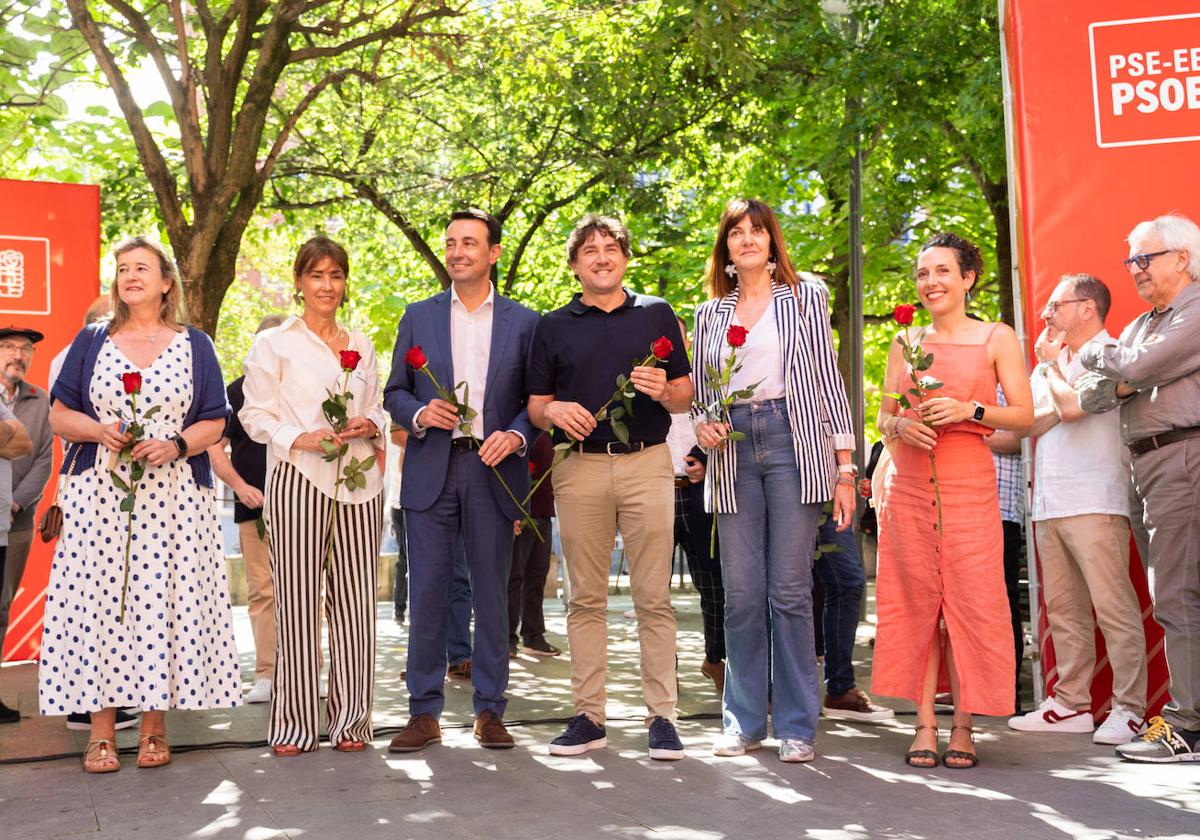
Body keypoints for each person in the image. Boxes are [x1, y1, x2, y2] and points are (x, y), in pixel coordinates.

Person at [40, 236, 238, 773]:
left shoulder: (196, 344)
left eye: (142, 268)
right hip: (99, 496)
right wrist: (102, 431)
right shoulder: (91, 340)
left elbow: (215, 420)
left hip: (173, 497)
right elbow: (60, 416)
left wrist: (175, 444)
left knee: (161, 602)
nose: (131, 276)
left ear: (166, 282)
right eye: (123, 269)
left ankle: (154, 729)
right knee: (98, 606)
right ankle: (100, 733)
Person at [692, 199, 855, 763]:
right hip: (732, 447)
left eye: (757, 231)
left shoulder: (807, 298)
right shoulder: (708, 313)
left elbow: (828, 380)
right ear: (727, 248)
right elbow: (700, 394)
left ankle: (796, 725)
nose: (748, 239)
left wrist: (844, 465)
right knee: (741, 595)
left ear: (772, 241)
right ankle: (741, 722)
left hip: (793, 438)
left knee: (788, 592)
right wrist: (703, 423)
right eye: (737, 233)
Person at [528, 213, 692, 760]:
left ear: (625, 258)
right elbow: (535, 405)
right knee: (585, 599)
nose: (602, 256)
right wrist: (555, 409)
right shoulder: (550, 326)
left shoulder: (657, 313)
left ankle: (662, 718)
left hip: (648, 463)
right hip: (580, 469)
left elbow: (685, 393)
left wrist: (665, 386)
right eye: (590, 249)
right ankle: (588, 717)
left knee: (654, 598)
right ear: (574, 264)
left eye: (611, 247)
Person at [873, 232, 1032, 769]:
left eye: (942, 271)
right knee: (917, 603)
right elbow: (883, 418)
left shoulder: (997, 337)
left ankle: (963, 728)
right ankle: (923, 724)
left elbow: (1024, 417)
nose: (930, 282)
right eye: (922, 274)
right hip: (911, 489)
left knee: (970, 604)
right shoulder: (905, 342)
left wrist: (971, 411)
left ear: (967, 278)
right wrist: (901, 427)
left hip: (970, 489)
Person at [384, 208, 537, 753]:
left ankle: (491, 710)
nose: (456, 251)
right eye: (450, 243)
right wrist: (422, 414)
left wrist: (517, 436)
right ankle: (423, 712)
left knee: (493, 594)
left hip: (495, 470)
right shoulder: (418, 316)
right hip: (432, 467)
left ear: (493, 253)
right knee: (427, 591)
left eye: (469, 242)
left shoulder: (525, 322)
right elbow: (394, 394)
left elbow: (534, 405)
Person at [240, 236, 385, 756]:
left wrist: (373, 420)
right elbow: (253, 415)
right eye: (317, 275)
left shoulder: (363, 343)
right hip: (298, 477)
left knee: (354, 605)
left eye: (336, 276)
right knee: (297, 601)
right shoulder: (274, 344)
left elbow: (380, 407)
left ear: (345, 284)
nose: (327, 286)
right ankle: (295, 725)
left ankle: (351, 721)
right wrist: (299, 439)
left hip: (360, 483)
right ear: (299, 282)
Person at [996, 274, 1147, 745]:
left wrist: (1047, 370)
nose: (1046, 315)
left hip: (1096, 499)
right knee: (1064, 611)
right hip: (1050, 502)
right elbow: (1039, 419)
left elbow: (1076, 407)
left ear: (1087, 308)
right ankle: (1071, 703)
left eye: (1056, 305)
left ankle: (1130, 708)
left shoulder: (1112, 352)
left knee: (1113, 608)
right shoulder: (1055, 362)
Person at [1078, 214, 1200, 763]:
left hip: (1183, 458)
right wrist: (1126, 370)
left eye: (1144, 257)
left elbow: (1134, 368)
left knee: (1178, 598)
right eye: (1131, 260)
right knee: (1174, 596)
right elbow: (1095, 396)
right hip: (1149, 466)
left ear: (1182, 258)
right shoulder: (1141, 325)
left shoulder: (1194, 311)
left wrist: (1100, 356)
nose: (1134, 269)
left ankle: (1187, 727)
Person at [208, 313, 286, 705]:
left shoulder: (305, 390)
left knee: (310, 592)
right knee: (263, 592)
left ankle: (308, 671)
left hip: (304, 507)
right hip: (253, 509)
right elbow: (211, 446)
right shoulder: (235, 393)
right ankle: (267, 674)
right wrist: (240, 487)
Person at [665, 318, 725, 696]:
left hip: (698, 494)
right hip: (653, 493)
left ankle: (716, 660)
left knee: (715, 585)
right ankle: (661, 673)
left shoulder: (705, 381)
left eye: (677, 333)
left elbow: (722, 427)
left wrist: (704, 456)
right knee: (653, 594)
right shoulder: (642, 382)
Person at [0, 326, 51, 723]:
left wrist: (15, 502)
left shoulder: (39, 401)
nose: (18, 355)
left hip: (16, 521)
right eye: (9, 348)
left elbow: (44, 460)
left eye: (25, 349)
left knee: (2, 607)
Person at [814, 517, 895, 723]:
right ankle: (772, 693)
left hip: (827, 494)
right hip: (780, 490)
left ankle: (840, 690)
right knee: (786, 588)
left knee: (846, 581)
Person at [983, 386, 1027, 711]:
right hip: (965, 510)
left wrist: (969, 437)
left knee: (1003, 602)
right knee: (972, 605)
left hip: (1002, 513)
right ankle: (978, 688)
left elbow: (1017, 439)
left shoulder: (1008, 387)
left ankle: (1005, 690)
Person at [508, 432, 560, 657]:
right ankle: (507, 637)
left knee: (538, 575)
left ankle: (534, 635)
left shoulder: (549, 434)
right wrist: (513, 512)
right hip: (522, 514)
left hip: (543, 513)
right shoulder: (523, 432)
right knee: (514, 577)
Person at [387, 425, 408, 624]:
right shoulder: (404, 448)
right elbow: (401, 471)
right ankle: (399, 608)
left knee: (406, 558)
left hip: (403, 504)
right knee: (404, 558)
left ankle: (401, 608)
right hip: (400, 506)